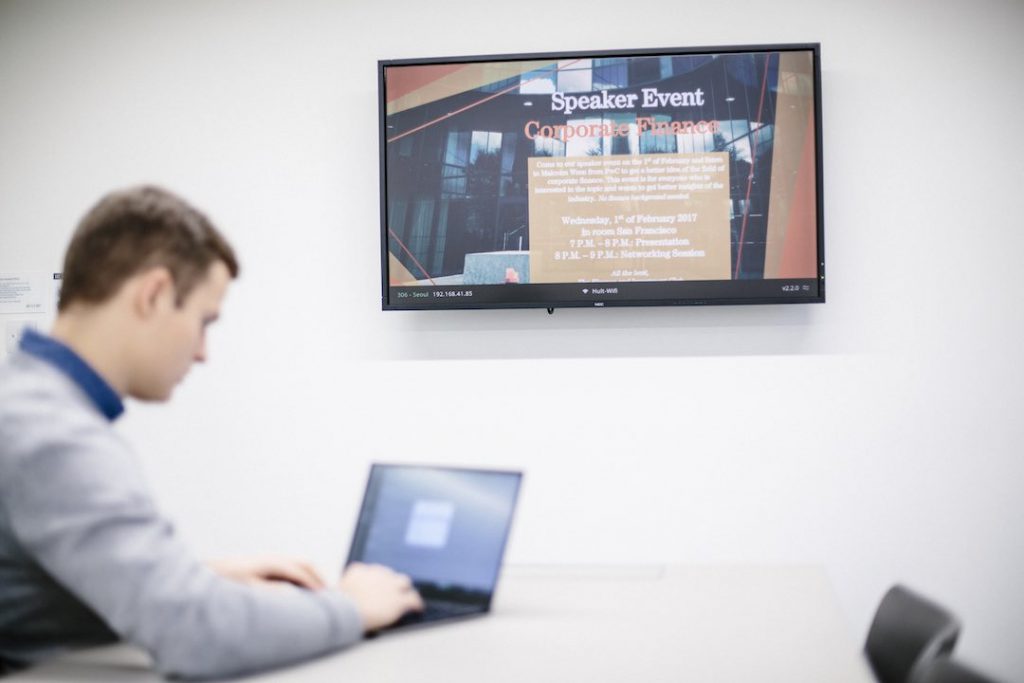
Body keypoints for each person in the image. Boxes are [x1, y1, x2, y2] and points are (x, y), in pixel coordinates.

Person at [0, 186, 423, 679]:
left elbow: (28, 600)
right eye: (204, 321)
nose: (203, 352)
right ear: (154, 294)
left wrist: (200, 578)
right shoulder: (54, 435)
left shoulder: (24, 401)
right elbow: (194, 632)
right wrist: (352, 608)